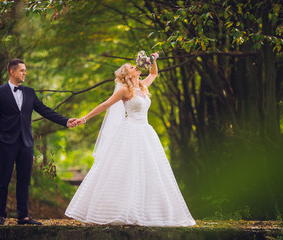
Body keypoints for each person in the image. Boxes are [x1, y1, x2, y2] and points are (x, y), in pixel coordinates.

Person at [65, 53, 195, 226]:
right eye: (132, 67)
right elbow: (105, 105)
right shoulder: (125, 90)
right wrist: (84, 118)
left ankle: (148, 212)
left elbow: (154, 74)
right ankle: (120, 210)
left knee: (150, 170)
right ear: (127, 76)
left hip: (146, 132)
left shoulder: (142, 87)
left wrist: (154, 60)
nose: (136, 67)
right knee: (126, 170)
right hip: (130, 132)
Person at [0, 58, 77, 225]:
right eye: (22, 70)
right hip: (6, 142)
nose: (25, 73)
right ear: (12, 72)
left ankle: (23, 216)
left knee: (24, 181)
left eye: (25, 70)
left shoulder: (29, 92)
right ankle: (0, 216)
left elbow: (44, 110)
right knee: (3, 179)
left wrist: (65, 121)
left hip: (26, 143)